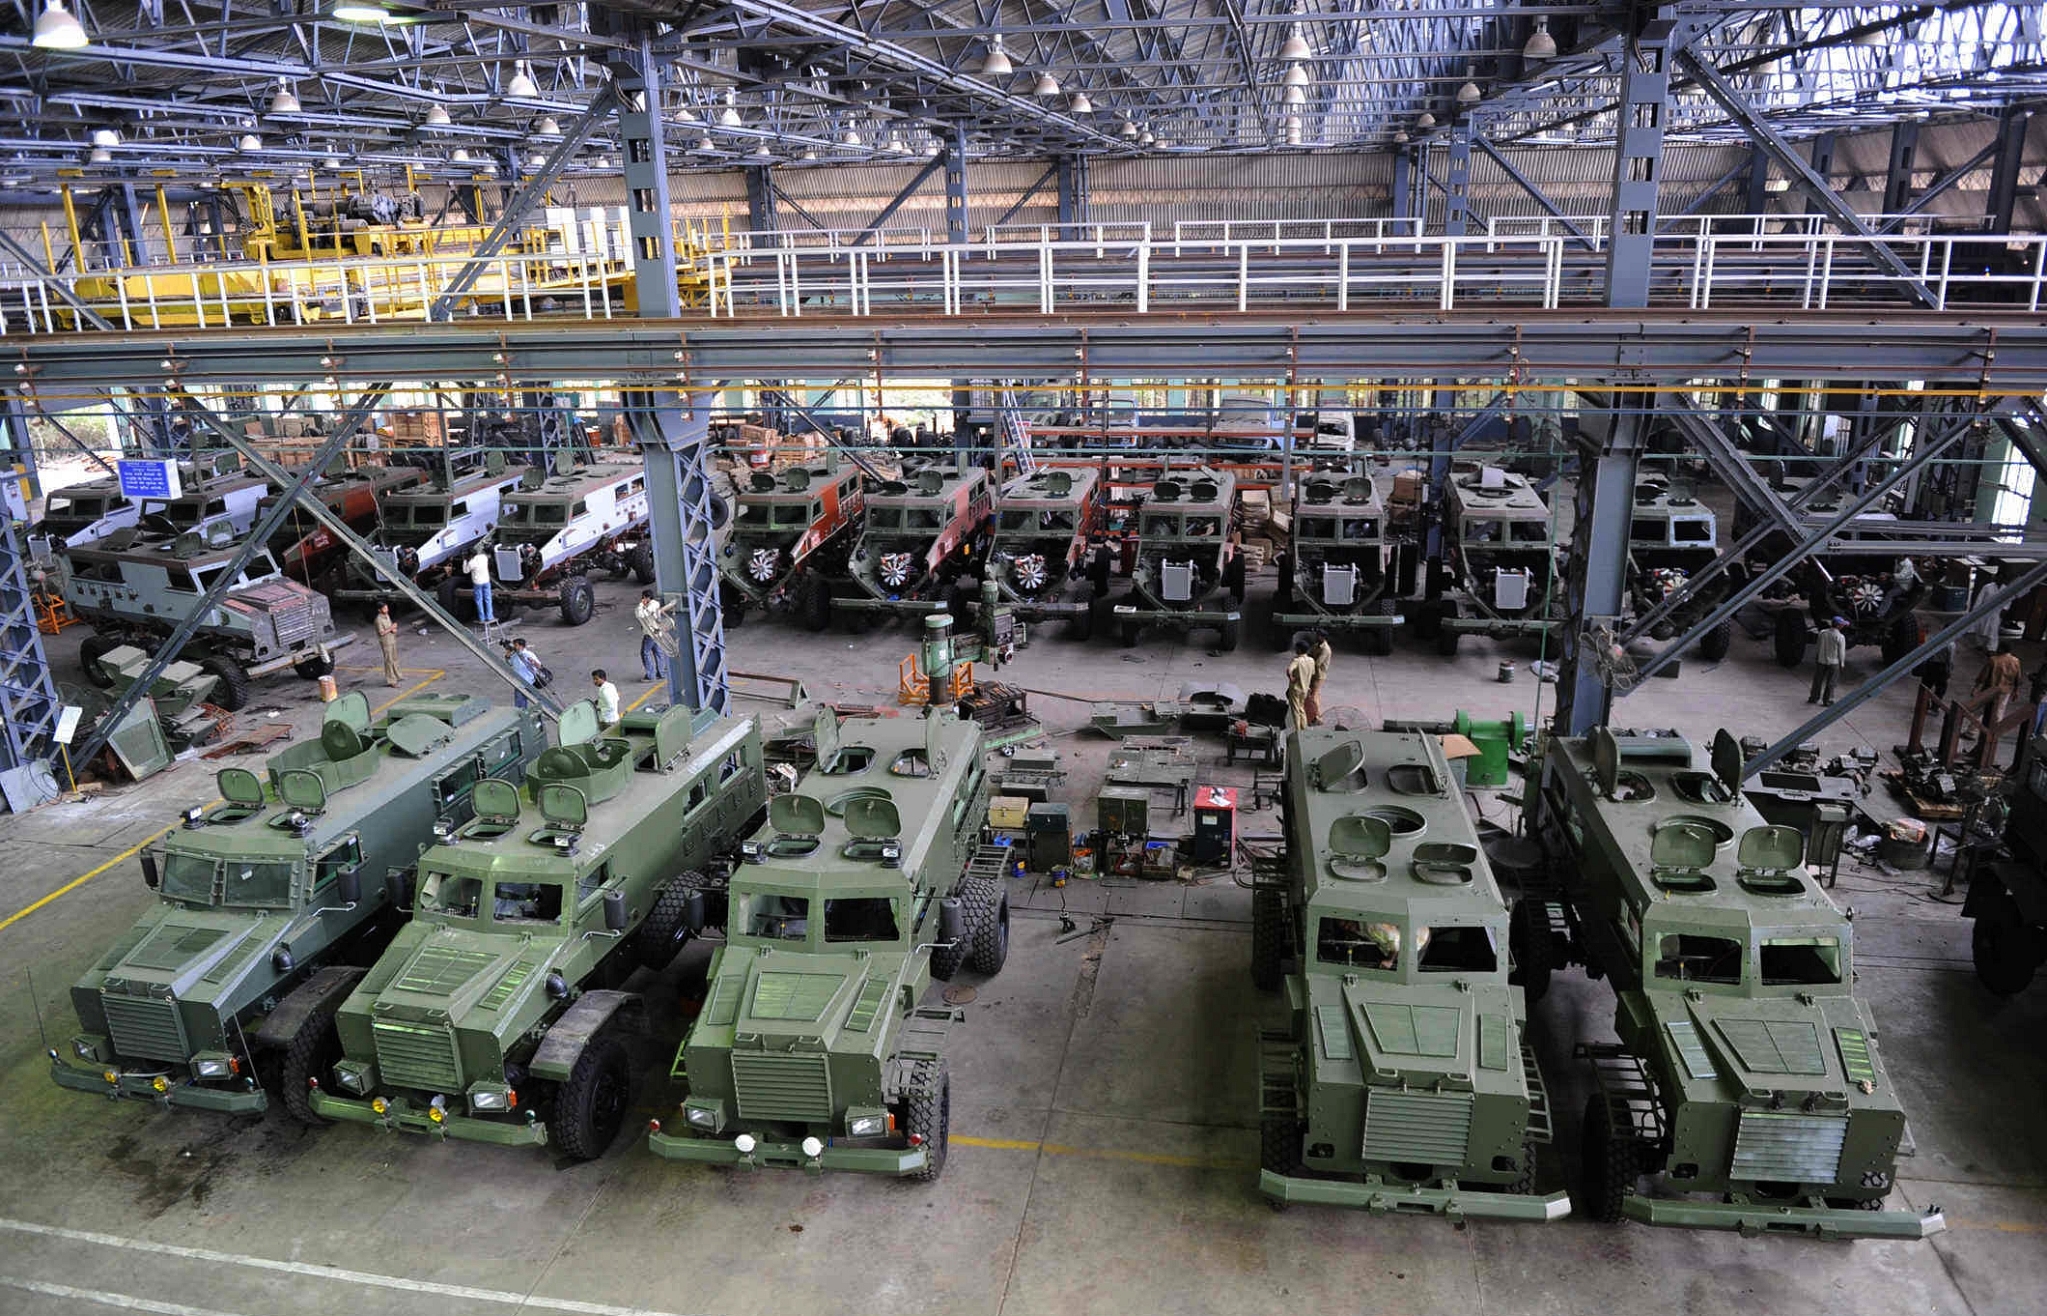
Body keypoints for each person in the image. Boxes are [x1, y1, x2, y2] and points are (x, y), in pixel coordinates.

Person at [1974, 648, 2023, 744]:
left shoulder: (1994, 660)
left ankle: (1972, 731)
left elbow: (1983, 676)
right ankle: (1995, 733)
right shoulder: (2016, 661)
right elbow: (2018, 678)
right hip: (2005, 690)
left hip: (1990, 689)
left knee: (1980, 710)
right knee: (1999, 711)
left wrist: (1976, 687)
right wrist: (2016, 690)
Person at [634, 589, 678, 682]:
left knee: (645, 652)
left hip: (651, 633)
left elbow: (641, 615)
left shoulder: (649, 607)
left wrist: (641, 605)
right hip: (657, 632)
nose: (642, 599)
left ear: (647, 598)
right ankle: (661, 673)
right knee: (657, 651)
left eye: (643, 598)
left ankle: (650, 675)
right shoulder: (656, 604)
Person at [1809, 616, 1847, 706]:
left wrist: (1817, 657)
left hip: (1821, 660)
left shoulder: (1822, 633)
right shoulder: (1840, 637)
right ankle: (1827, 700)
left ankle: (1814, 697)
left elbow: (1818, 646)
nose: (1843, 626)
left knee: (1817, 680)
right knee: (1831, 682)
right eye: (1842, 625)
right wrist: (1842, 663)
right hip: (1834, 662)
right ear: (1839, 626)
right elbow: (1841, 652)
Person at [1286, 638, 1317, 731]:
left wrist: (1291, 677)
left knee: (1295, 710)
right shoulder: (1311, 661)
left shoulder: (1297, 660)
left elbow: (1289, 670)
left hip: (1296, 689)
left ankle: (1297, 731)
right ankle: (1304, 729)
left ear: (1299, 649)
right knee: (1301, 709)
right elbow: (1312, 673)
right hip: (1305, 689)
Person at [1306, 629, 1333, 727]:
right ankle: (1315, 715)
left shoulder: (1325, 649)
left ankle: (1317, 717)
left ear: (1323, 637)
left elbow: (1317, 663)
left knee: (1313, 696)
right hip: (1313, 674)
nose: (1316, 637)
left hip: (1319, 676)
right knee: (1314, 695)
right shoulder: (1316, 645)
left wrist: (1306, 663)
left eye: (1318, 635)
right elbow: (1309, 654)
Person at [504, 638, 541, 710]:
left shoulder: (529, 654)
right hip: (519, 683)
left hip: (529, 681)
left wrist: (533, 662)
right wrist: (507, 653)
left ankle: (548, 712)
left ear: (521, 646)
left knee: (538, 700)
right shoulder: (515, 655)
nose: (514, 647)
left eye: (516, 645)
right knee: (520, 704)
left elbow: (539, 666)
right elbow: (509, 663)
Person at [373, 602, 402, 687]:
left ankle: (397, 675)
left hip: (392, 640)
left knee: (394, 658)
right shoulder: (378, 620)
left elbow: (390, 627)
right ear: (379, 610)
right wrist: (391, 628)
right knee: (389, 661)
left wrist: (393, 630)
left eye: (387, 608)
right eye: (384, 608)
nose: (387, 610)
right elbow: (381, 633)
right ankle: (391, 681)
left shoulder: (387, 616)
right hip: (386, 642)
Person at [465, 545, 495, 625]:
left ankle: (482, 618)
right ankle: (490, 616)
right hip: (486, 580)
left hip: (477, 582)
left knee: (479, 600)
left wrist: (465, 561)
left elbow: (465, 571)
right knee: (488, 599)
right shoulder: (483, 557)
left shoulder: (471, 562)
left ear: (470, 555)